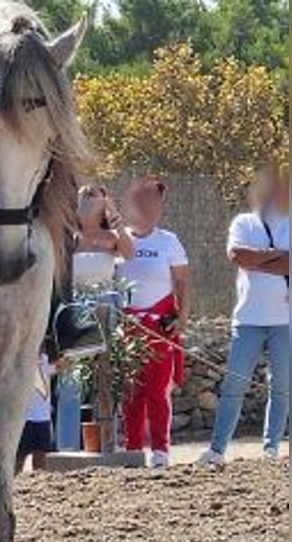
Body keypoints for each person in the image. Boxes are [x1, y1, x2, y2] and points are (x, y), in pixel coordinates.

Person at [200, 166, 289, 465]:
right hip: (248, 318)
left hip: (287, 319)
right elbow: (238, 256)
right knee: (234, 384)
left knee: (282, 385)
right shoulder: (242, 222)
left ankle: (271, 447)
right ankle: (217, 449)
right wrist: (276, 256)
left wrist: (259, 258)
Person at [116, 176, 190, 469]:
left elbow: (182, 281)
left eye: (155, 203)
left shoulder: (168, 241)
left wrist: (181, 317)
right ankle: (133, 447)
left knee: (158, 391)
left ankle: (160, 449)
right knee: (131, 391)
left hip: (159, 324)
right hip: (127, 325)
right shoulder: (120, 240)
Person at [55, 185, 134, 450]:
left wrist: (113, 214)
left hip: (105, 306)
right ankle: (67, 446)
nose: (88, 200)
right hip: (75, 307)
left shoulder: (111, 237)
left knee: (107, 375)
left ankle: (109, 440)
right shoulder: (70, 237)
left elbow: (129, 252)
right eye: (84, 196)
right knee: (71, 380)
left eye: (94, 196)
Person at [15, 352, 54, 473]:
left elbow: (54, 368)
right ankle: (11, 481)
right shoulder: (19, 355)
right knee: (20, 455)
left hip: (43, 415)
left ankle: (38, 480)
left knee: (41, 454)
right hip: (23, 415)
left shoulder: (45, 357)